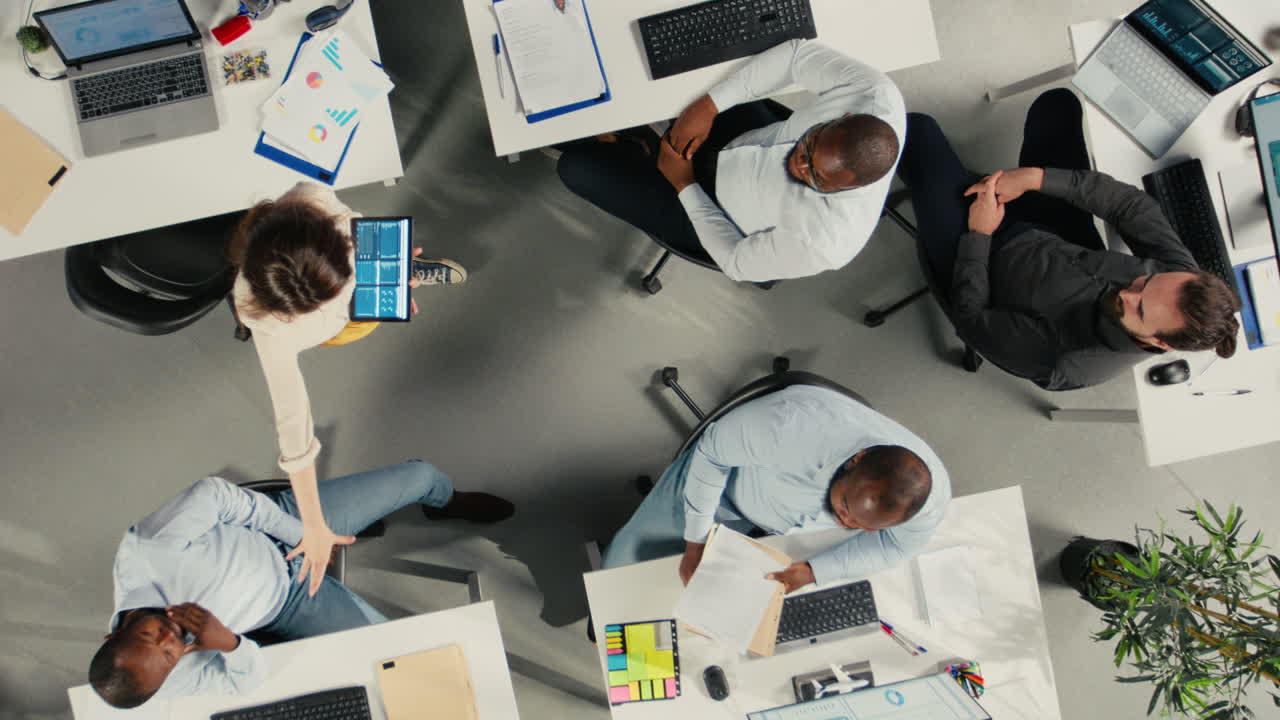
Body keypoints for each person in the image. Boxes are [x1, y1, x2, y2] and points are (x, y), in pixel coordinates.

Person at [88, 461, 514, 707]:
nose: (170, 636)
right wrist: (229, 644)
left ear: (114, 632)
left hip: (282, 530)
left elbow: (216, 494)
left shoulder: (148, 551)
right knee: (400, 663)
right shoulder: (166, 680)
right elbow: (244, 683)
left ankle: (446, 501)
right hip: (288, 606)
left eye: (149, 634)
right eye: (169, 654)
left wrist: (303, 537)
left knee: (420, 475)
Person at [897, 89, 1240, 391]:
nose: (1126, 291)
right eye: (1145, 281)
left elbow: (971, 321)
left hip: (983, 261)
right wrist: (1035, 179)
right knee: (1058, 106)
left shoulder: (1067, 361)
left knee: (916, 130)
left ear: (1160, 343)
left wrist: (979, 234)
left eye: (1138, 308)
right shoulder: (1178, 280)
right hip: (1057, 241)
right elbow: (1131, 207)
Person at [228, 182, 469, 597]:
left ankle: (405, 269)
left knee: (382, 290)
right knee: (359, 322)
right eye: (319, 304)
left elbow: (357, 230)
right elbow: (294, 428)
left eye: (337, 290)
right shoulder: (264, 323)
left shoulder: (312, 196)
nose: (336, 302)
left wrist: (383, 269)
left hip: (355, 267)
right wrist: (314, 524)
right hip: (339, 328)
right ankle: (395, 277)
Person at [557, 39, 906, 283]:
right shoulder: (874, 93)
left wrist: (684, 183)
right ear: (843, 117)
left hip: (715, 211)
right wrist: (708, 106)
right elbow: (795, 56)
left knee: (576, 168)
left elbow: (735, 261)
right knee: (663, 64)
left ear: (848, 191)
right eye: (808, 146)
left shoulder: (826, 244)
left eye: (816, 178)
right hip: (746, 138)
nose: (797, 166)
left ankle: (632, 144)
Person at [602, 385, 949, 594]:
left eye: (862, 525)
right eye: (845, 507)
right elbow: (712, 455)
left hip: (789, 529)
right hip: (727, 489)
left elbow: (896, 546)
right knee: (628, 567)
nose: (847, 523)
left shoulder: (926, 501)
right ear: (856, 459)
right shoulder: (786, 429)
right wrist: (695, 543)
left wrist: (814, 571)